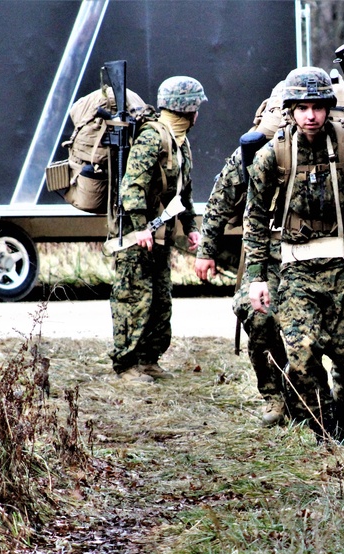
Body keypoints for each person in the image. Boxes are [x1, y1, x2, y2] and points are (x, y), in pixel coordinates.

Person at [244, 66, 344, 445]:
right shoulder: (275, 153)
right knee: (300, 355)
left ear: (327, 108)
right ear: (290, 111)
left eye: (316, 107)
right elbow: (254, 215)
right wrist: (257, 277)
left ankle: (343, 403)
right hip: (297, 269)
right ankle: (323, 426)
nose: (310, 116)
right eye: (301, 108)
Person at [196, 120, 291, 426]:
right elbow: (217, 205)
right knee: (258, 314)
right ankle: (275, 395)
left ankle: (318, 398)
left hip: (314, 252)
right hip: (266, 253)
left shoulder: (321, 149)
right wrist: (205, 252)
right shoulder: (248, 154)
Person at [111, 76, 206, 382]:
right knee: (134, 299)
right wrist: (140, 227)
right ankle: (127, 365)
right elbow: (132, 186)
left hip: (160, 235)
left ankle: (148, 360)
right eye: (196, 106)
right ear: (187, 108)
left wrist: (192, 227)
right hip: (136, 236)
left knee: (160, 300)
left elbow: (184, 193)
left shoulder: (181, 142)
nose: (199, 113)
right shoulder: (152, 138)